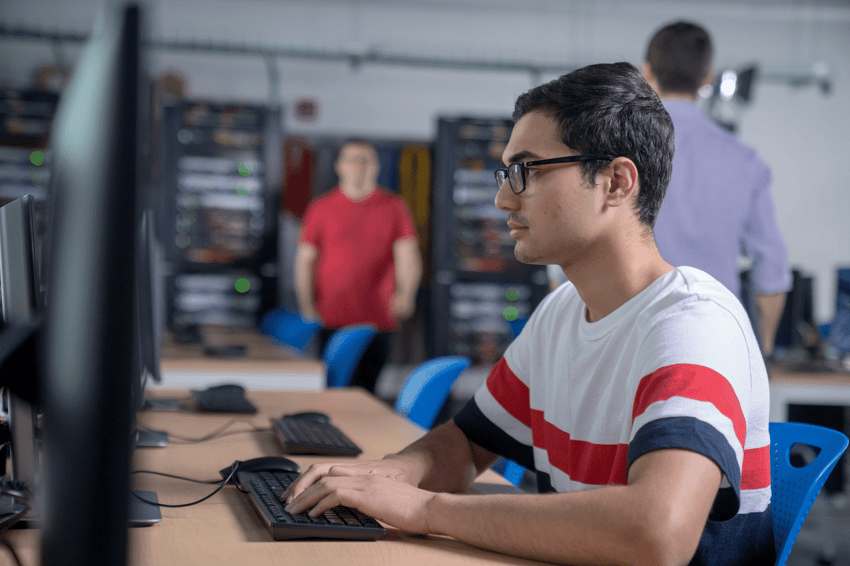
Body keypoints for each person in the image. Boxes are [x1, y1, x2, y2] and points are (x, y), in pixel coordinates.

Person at [283, 63, 774, 566]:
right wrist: (387, 478)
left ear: (616, 182)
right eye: (505, 174)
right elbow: (468, 443)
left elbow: (656, 534)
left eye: (527, 171)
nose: (502, 198)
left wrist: (425, 508)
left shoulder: (693, 324)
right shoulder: (562, 311)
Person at [644, 21, 791, 357]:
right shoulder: (745, 160)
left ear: (646, 72)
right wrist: (762, 347)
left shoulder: (618, 150)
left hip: (635, 338)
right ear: (707, 76)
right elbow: (771, 267)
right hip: (718, 344)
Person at [294, 139, 422, 393]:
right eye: (351, 160)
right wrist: (306, 305)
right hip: (331, 316)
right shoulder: (320, 207)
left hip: (378, 316)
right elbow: (304, 261)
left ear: (376, 166)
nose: (358, 166)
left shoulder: (394, 206)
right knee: (332, 389)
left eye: (365, 160)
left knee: (367, 391)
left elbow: (407, 256)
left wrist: (406, 295)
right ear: (339, 166)